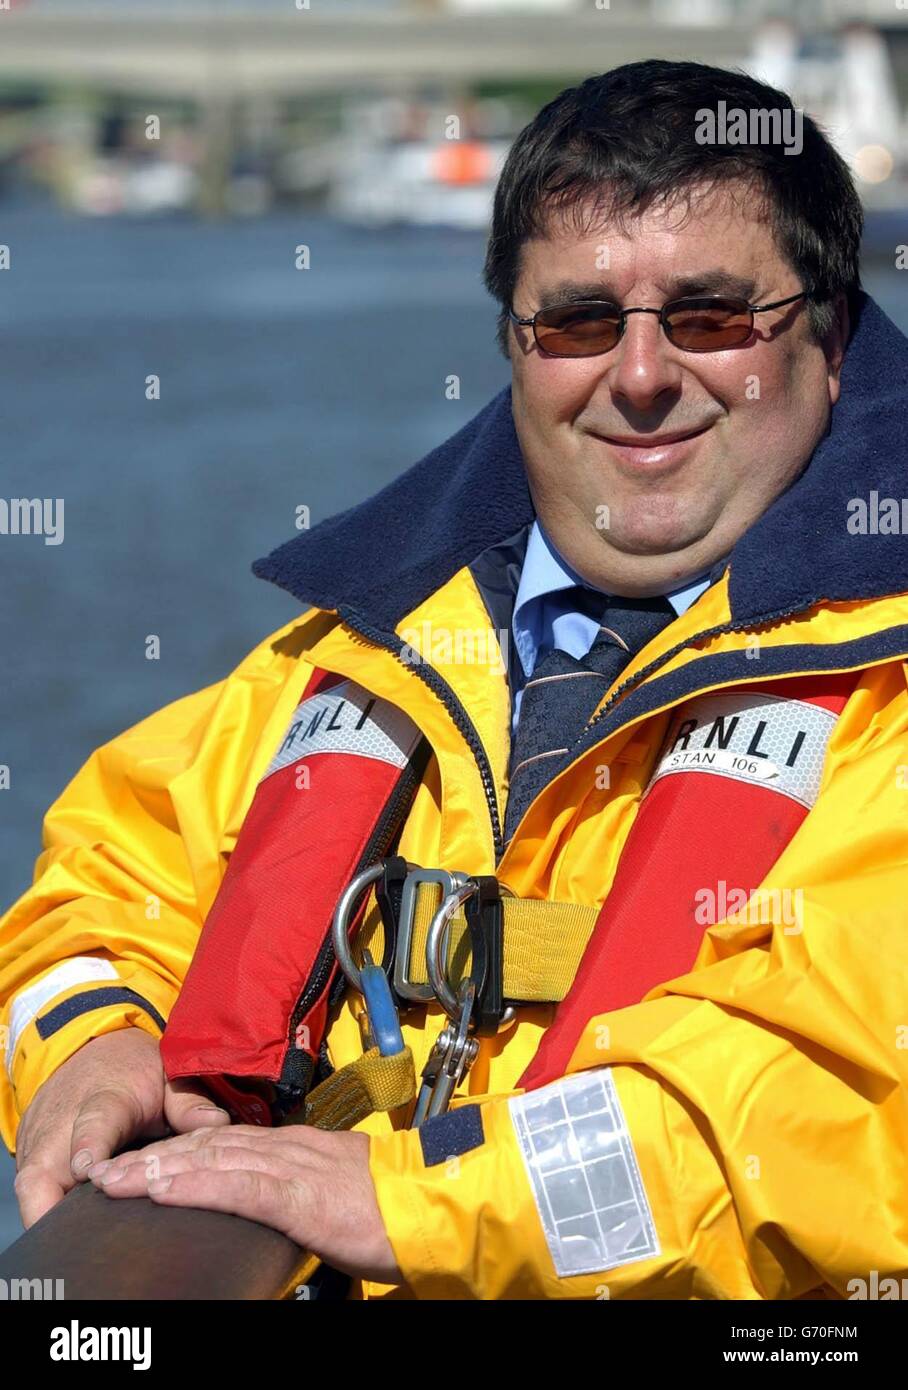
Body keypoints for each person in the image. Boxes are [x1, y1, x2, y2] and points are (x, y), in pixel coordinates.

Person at [3, 59, 907, 1301]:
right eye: (579, 322)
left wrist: (408, 1205)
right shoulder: (363, 649)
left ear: (830, 340)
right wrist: (88, 1047)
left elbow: (827, 1116)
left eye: (707, 317)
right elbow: (102, 884)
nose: (639, 375)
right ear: (514, 347)